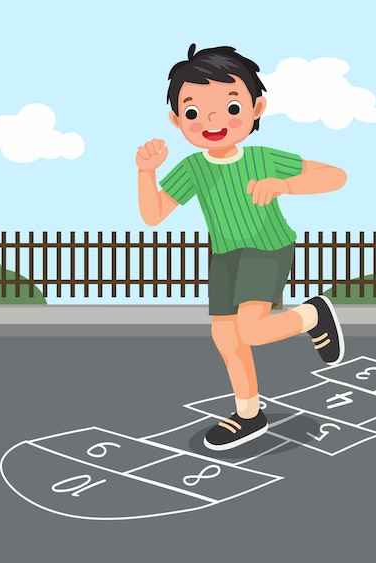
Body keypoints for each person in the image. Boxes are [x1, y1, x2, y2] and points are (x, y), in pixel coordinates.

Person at [136, 44, 347, 451]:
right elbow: (155, 213)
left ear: (257, 107)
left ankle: (311, 315)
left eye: (231, 108)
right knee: (227, 340)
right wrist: (147, 173)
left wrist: (285, 185)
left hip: (266, 248)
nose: (213, 121)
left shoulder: (264, 158)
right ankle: (249, 415)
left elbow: (333, 176)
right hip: (225, 257)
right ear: (177, 120)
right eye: (195, 113)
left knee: (252, 329)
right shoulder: (192, 169)